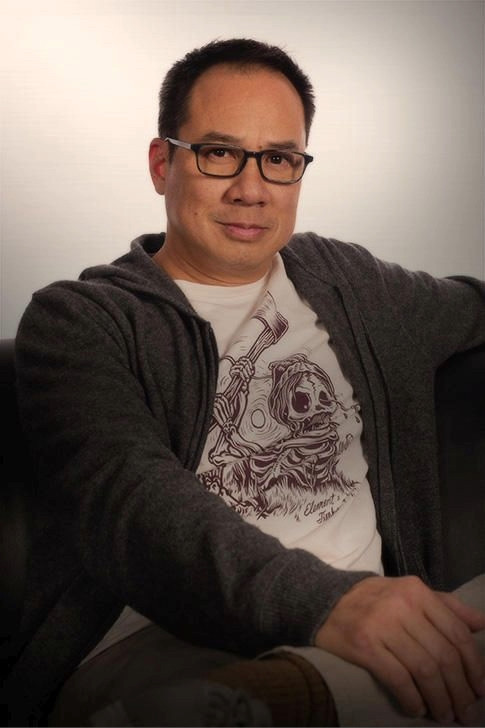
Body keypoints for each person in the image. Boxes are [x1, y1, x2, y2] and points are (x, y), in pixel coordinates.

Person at [2, 37, 485, 727]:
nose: (251, 189)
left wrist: (366, 610)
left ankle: (307, 697)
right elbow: (134, 502)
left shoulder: (350, 284)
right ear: (162, 163)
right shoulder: (81, 320)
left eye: (279, 159)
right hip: (162, 643)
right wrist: (330, 604)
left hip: (378, 628)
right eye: (219, 153)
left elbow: (474, 308)